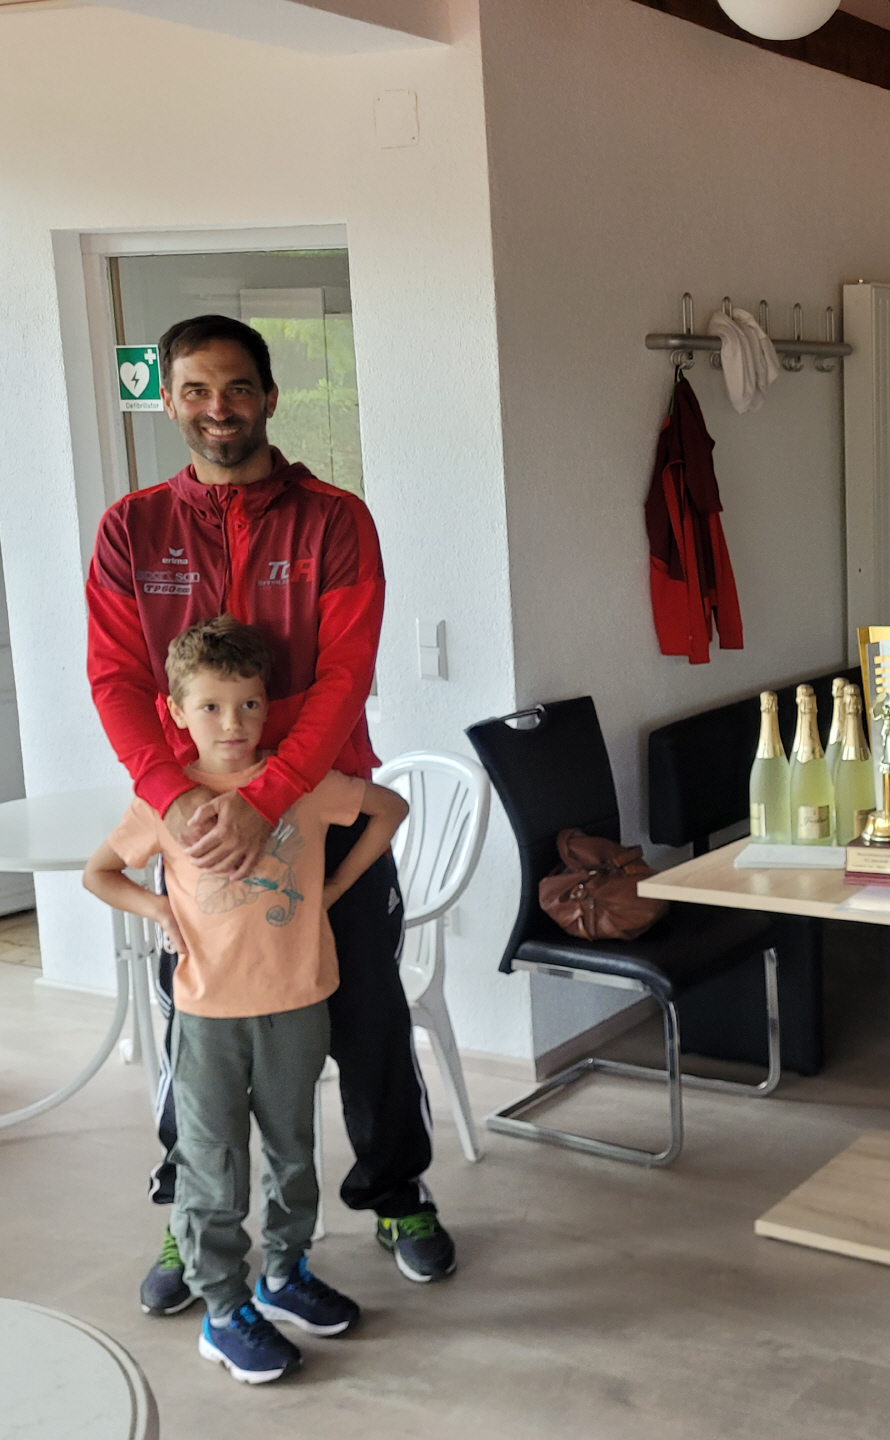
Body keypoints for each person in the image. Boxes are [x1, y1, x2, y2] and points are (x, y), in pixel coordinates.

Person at [85, 314, 456, 1312]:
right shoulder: (130, 529)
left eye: (238, 387)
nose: (219, 409)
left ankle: (395, 1194)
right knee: (199, 1032)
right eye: (197, 390)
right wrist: (177, 799)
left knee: (368, 1015)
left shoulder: (335, 519)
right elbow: (115, 680)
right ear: (170, 402)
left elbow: (344, 677)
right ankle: (192, 1218)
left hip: (322, 810)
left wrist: (268, 796)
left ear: (269, 397)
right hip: (196, 828)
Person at [84, 617, 410, 1383]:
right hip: (208, 1017)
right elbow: (99, 873)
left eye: (250, 705)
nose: (233, 724)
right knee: (213, 1165)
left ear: (269, 707)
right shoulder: (164, 801)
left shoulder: (304, 787)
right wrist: (160, 909)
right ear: (177, 712)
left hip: (298, 1003)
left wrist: (334, 887)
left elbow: (390, 810)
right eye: (211, 707)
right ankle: (224, 1309)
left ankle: (285, 1275)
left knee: (294, 1152)